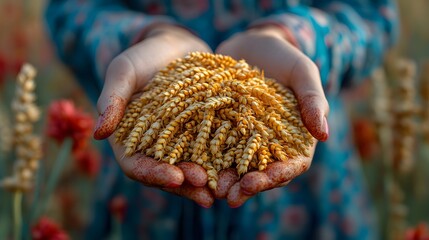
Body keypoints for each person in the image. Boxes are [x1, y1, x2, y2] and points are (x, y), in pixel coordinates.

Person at [45, 0, 398, 239]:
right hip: (145, 209)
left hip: (311, 199)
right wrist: (139, 36)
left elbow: (372, 15)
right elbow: (69, 9)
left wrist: (296, 38)